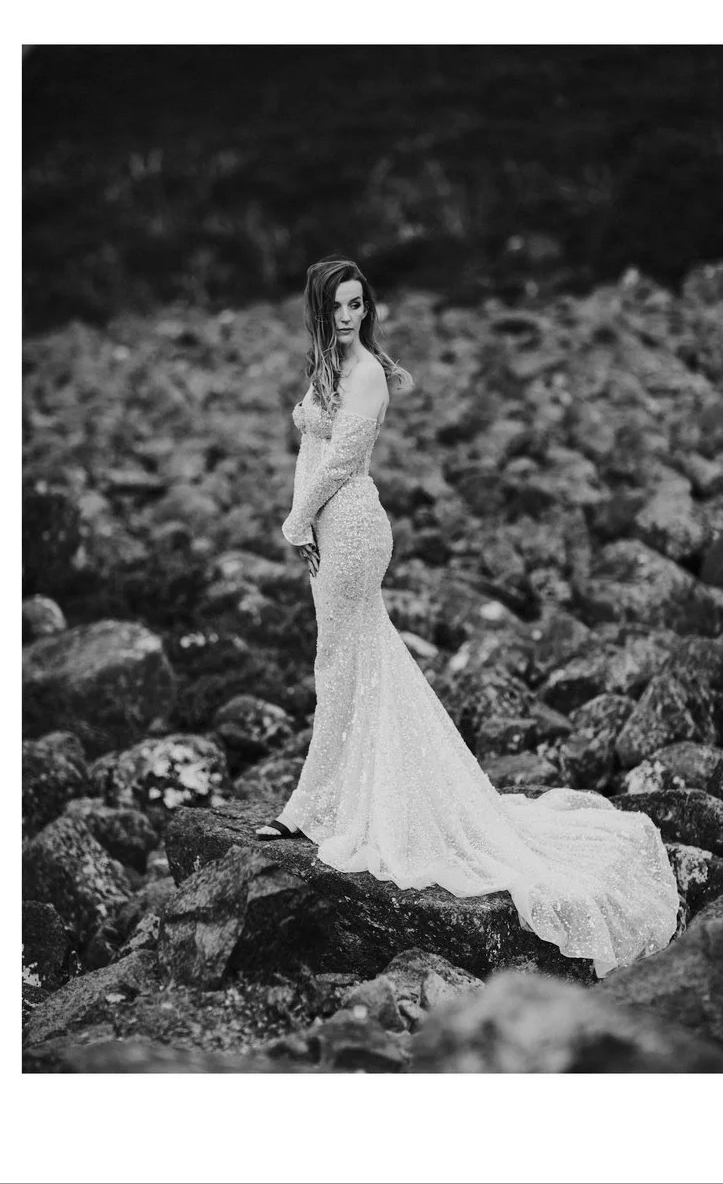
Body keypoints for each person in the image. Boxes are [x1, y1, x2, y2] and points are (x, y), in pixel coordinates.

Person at [257, 256, 676, 976]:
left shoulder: (366, 374)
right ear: (320, 311)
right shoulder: (331, 365)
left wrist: (296, 521)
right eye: (339, 306)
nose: (351, 316)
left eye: (359, 304)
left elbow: (337, 463)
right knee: (359, 661)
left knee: (339, 663)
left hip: (349, 525)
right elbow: (314, 442)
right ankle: (334, 797)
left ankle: (306, 809)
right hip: (331, 528)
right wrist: (304, 511)